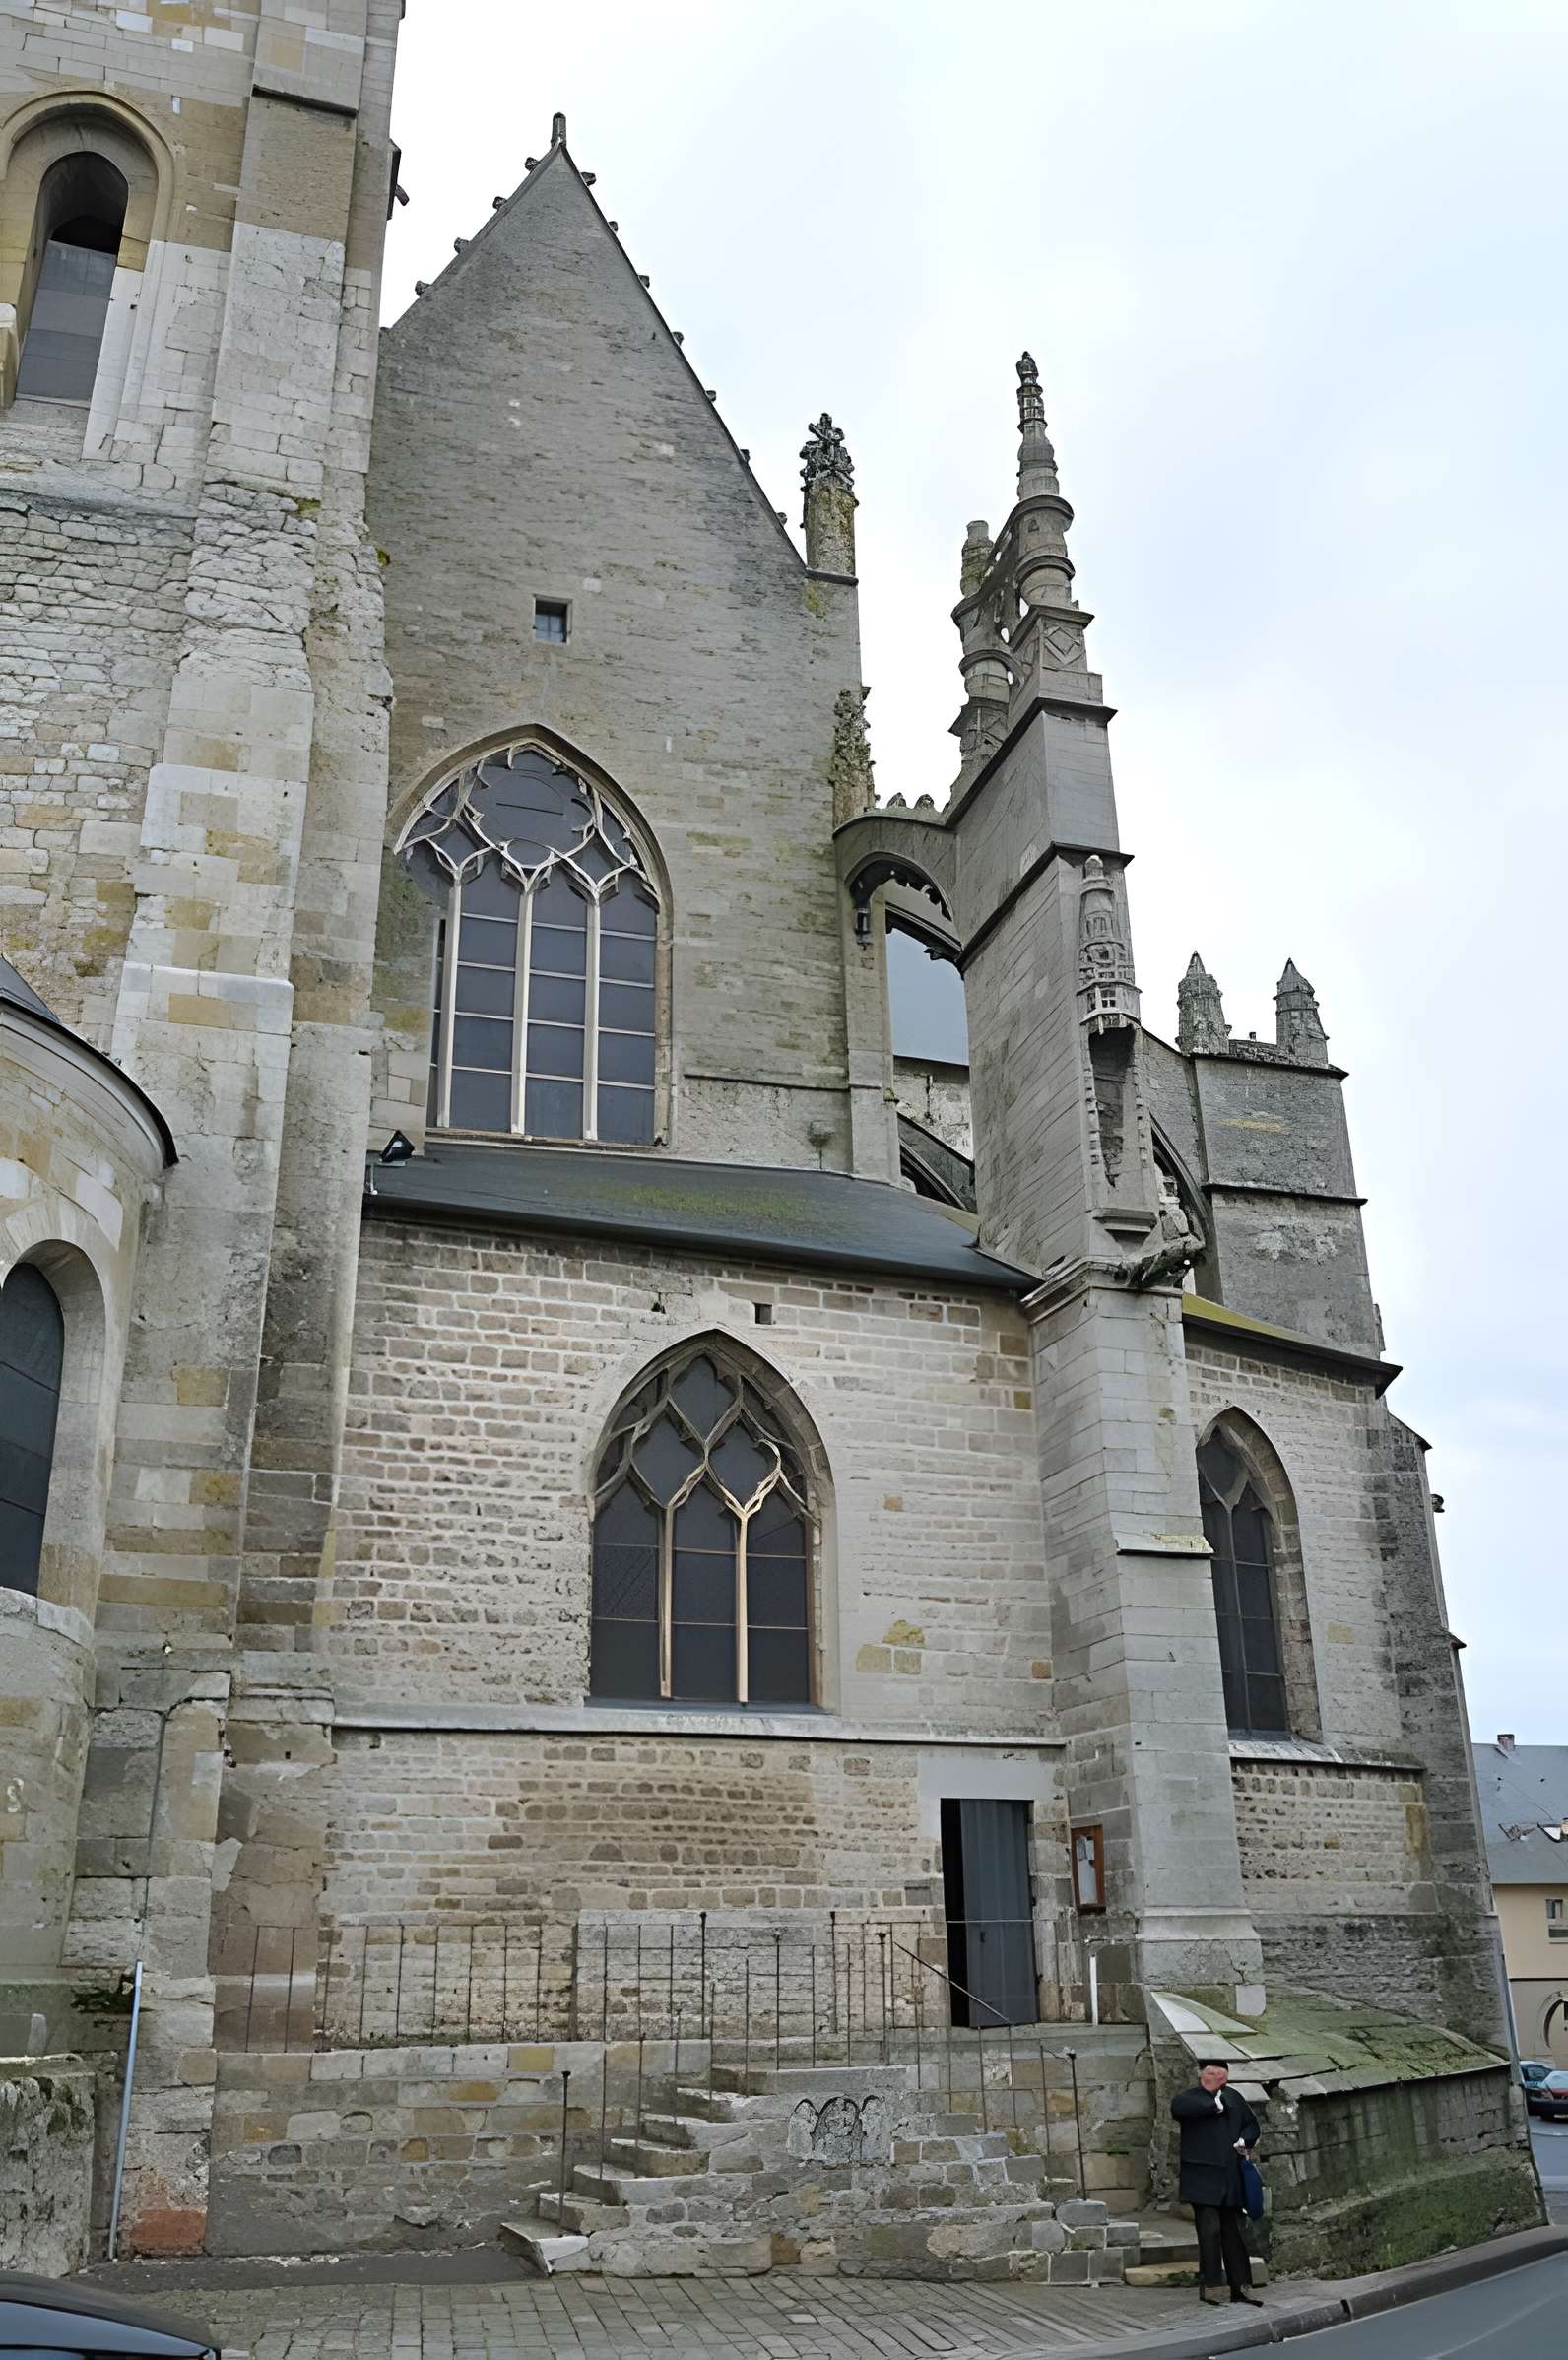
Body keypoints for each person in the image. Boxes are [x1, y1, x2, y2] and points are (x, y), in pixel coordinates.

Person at [1170, 2058, 1263, 2307]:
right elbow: (1179, 2109)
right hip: (1202, 2180)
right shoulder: (1189, 2099)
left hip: (1231, 2179)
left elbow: (1251, 2124)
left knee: (1235, 2234)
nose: (1216, 2079)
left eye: (1221, 2075)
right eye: (1211, 2074)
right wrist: (1214, 2106)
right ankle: (1211, 2287)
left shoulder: (1234, 2097)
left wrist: (1245, 2140)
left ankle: (1241, 2287)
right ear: (1202, 2075)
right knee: (1209, 2233)